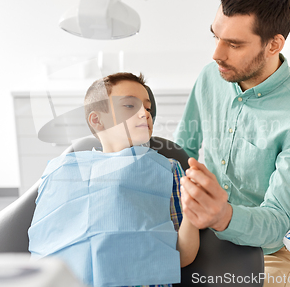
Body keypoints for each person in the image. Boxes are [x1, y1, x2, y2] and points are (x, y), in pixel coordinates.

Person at [173, 0, 290, 287]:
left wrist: (222, 216)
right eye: (216, 37)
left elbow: (277, 223)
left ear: (274, 44)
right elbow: (183, 151)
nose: (216, 54)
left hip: (268, 251)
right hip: (200, 229)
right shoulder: (211, 76)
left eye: (234, 44)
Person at [29, 72, 199, 287]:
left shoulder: (168, 169)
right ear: (97, 120)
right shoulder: (61, 173)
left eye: (148, 108)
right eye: (129, 106)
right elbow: (43, 249)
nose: (144, 114)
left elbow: (182, 255)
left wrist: (193, 209)